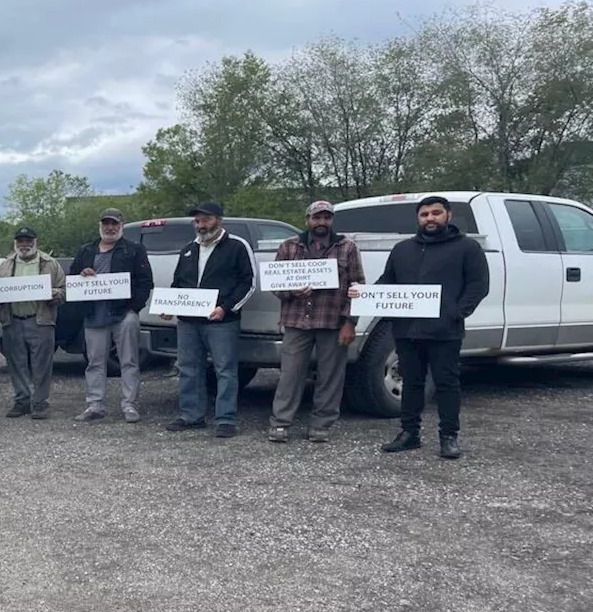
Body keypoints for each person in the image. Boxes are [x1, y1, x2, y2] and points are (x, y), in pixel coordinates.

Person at [349, 195, 489, 459]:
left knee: (447, 384)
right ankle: (409, 432)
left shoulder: (467, 248)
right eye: (424, 214)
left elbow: (478, 286)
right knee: (412, 382)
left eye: (436, 213)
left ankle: (449, 436)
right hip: (406, 330)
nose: (430, 218)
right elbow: (387, 282)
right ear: (418, 218)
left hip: (445, 330)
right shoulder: (403, 249)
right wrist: (364, 294)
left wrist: (456, 313)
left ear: (448, 215)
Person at [268, 201, 366, 443]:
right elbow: (275, 286)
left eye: (326, 218)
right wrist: (293, 291)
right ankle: (280, 423)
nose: (321, 222)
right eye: (317, 218)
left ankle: (321, 424)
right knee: (290, 375)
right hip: (296, 322)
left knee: (330, 377)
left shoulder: (347, 247)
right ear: (307, 220)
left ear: (331, 221)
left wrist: (350, 322)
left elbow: (358, 287)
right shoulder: (288, 247)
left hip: (332, 322)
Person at [166, 201, 256, 438]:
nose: (201, 225)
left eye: (206, 219)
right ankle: (191, 416)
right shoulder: (188, 249)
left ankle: (225, 419)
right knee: (188, 368)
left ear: (219, 219)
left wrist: (226, 308)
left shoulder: (237, 246)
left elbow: (248, 282)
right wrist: (169, 305)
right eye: (197, 221)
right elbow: (178, 283)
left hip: (221, 321)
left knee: (225, 370)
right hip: (188, 321)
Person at [69, 207, 154, 423]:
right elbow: (72, 278)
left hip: (123, 314)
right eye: (106, 223)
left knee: (129, 361)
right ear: (100, 225)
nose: (110, 227)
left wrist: (133, 308)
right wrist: (82, 274)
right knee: (95, 362)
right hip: (93, 314)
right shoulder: (86, 250)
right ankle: (95, 405)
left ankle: (130, 405)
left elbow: (145, 282)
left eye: (114, 223)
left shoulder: (134, 250)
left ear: (121, 226)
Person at [0, 227, 66, 419]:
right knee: (16, 363)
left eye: (28, 241)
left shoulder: (50, 263)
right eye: (20, 241)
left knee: (41, 364)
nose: (24, 245)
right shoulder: (5, 265)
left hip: (40, 320)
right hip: (13, 320)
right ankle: (22, 400)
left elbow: (64, 289)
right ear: (15, 243)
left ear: (35, 241)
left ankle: (40, 402)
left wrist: (55, 294)